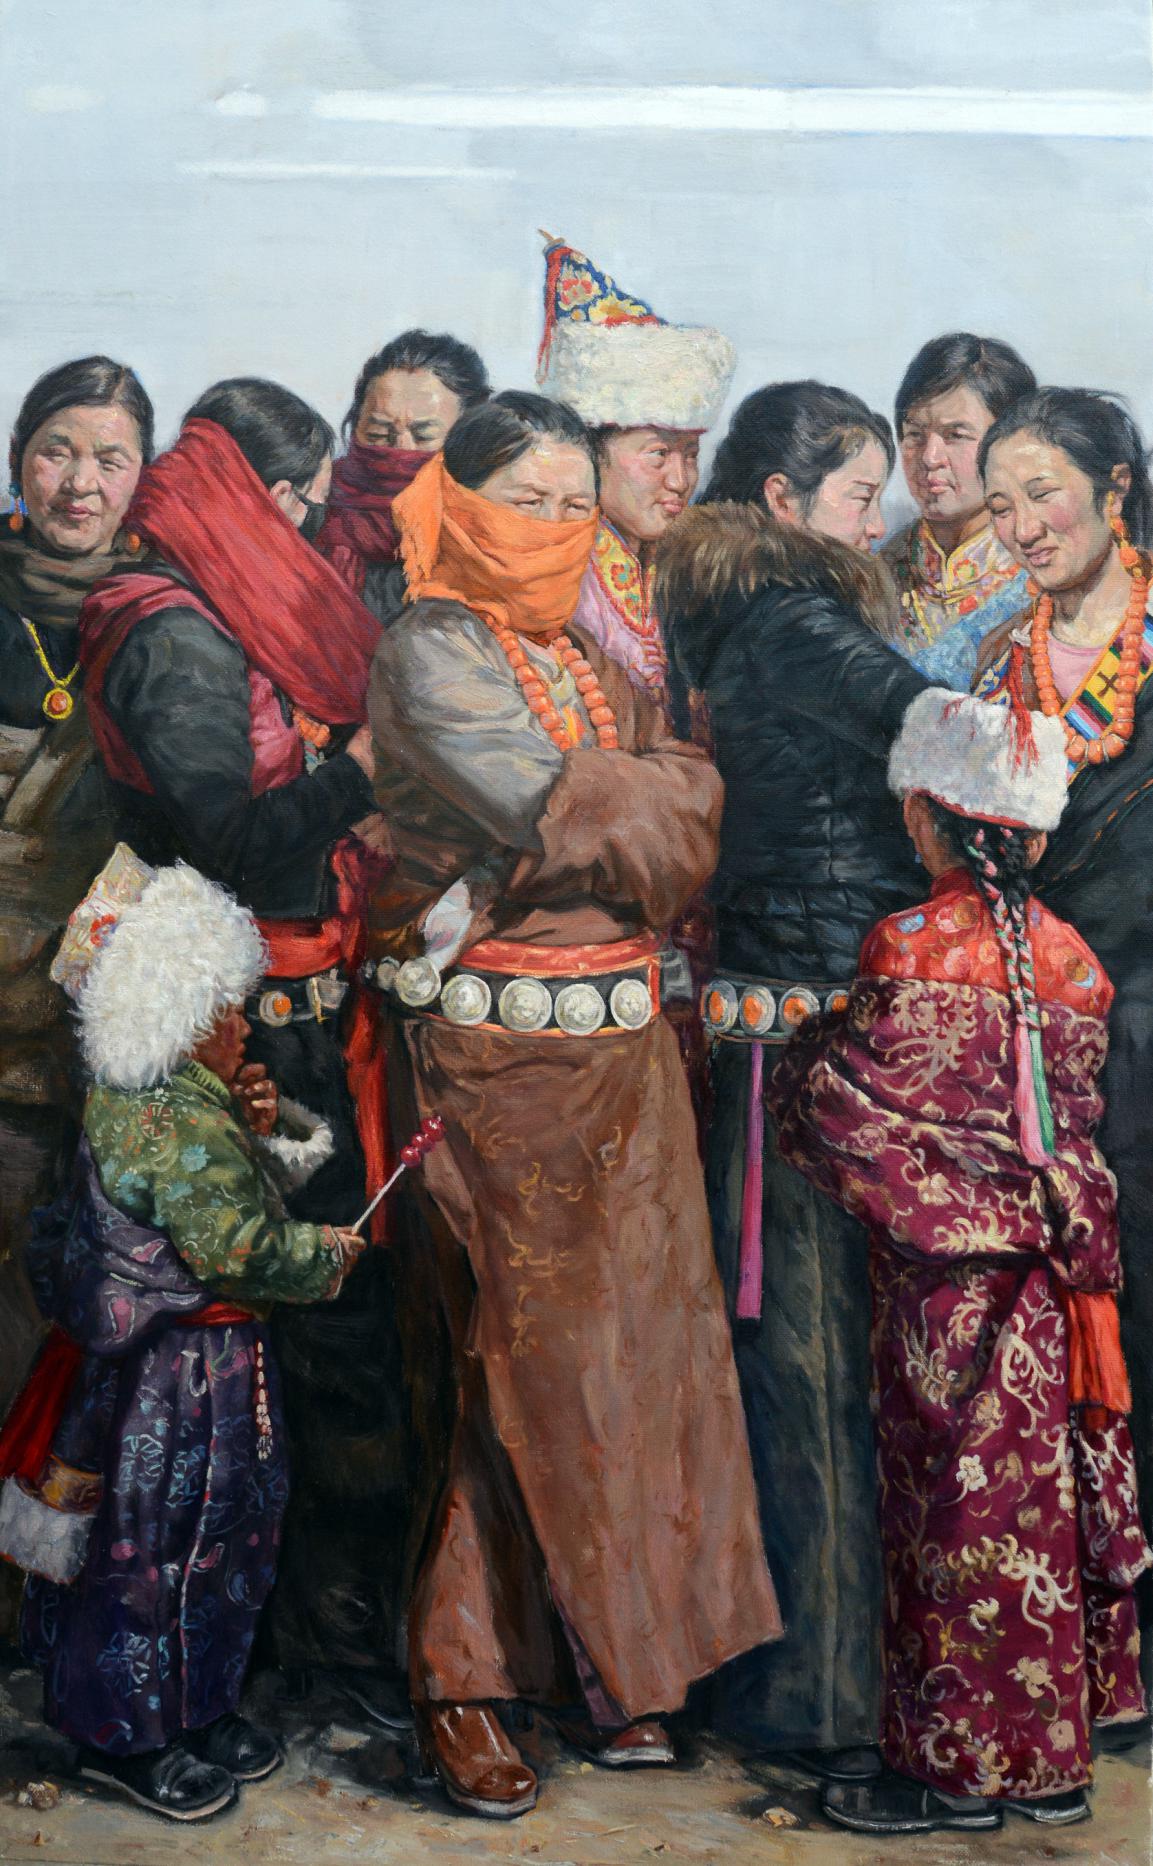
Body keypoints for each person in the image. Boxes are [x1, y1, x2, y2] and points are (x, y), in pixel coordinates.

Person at [366, 390, 781, 1819]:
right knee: (510, 1367)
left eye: (570, 506)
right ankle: (466, 1680)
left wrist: (619, 811)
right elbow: (545, 800)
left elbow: (691, 809)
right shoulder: (430, 644)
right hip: (495, 1068)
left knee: (638, 1364)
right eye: (522, 503)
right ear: (461, 504)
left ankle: (617, 1666)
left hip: (625, 1062)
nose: (550, 529)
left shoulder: (585, 652)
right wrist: (631, 806)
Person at [74, 379, 412, 1729]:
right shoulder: (172, 633)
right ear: (239, 492)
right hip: (231, 1033)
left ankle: (308, 1651)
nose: (305, 528)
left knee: (317, 1338)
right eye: (291, 501)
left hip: (293, 1011)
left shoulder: (221, 615)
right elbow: (230, 840)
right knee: (287, 1339)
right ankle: (285, 1662)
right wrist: (361, 773)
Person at [767, 690, 1149, 1835]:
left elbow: (849, 1110)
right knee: (1033, 1507)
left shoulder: (906, 944)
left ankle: (950, 1773)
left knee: (944, 1508)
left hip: (942, 1284)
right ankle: (1049, 1768)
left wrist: (796, 1061)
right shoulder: (1074, 961)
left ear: (926, 816)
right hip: (1047, 1285)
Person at [657, 380, 931, 1781]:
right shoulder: (797, 619)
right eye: (857, 495)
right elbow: (933, 724)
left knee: (794, 1360)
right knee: (813, 1367)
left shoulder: (732, 614)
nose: (875, 520)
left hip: (772, 1014)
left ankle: (799, 1687)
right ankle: (819, 1706)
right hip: (807, 1027)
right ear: (782, 500)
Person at [0, 854, 366, 1821]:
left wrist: (256, 1122)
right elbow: (234, 1247)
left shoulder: (166, 1097)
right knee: (157, 1550)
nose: (244, 1025)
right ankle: (125, 1737)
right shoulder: (172, 1121)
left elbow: (226, 1195)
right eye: (228, 1010)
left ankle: (197, 1709)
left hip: (202, 1374)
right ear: (184, 1014)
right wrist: (322, 1253)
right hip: (179, 1381)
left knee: (219, 1544)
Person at [974, 386, 1153, 1692]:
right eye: (1001, 505)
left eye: (1042, 492)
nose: (1023, 525)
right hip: (1049, 1043)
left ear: (1114, 488)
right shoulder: (999, 662)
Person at [0, 356, 153, 1525]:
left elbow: (173, 833)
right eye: (57, 451)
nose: (80, 482)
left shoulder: (161, 616)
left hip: (83, 1036)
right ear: (19, 462)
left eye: (111, 457)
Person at [536, 236, 735, 697]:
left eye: (690, 455)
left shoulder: (687, 568)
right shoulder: (555, 572)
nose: (680, 481)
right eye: (658, 454)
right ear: (592, 455)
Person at [884, 334, 1036, 688]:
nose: (930, 458)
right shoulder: (871, 574)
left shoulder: (1046, 575)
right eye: (914, 435)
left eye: (955, 435)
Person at [318, 328, 490, 616]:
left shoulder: (490, 529)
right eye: (378, 433)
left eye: (424, 436)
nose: (401, 449)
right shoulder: (312, 504)